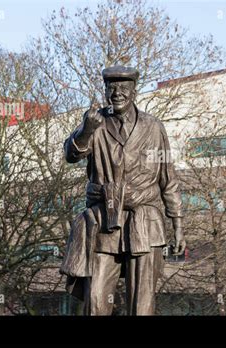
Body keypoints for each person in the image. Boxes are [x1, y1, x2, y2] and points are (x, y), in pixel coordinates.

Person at [61, 65, 185, 315]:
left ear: (134, 92)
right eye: (111, 88)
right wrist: (86, 129)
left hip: (144, 221)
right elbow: (71, 154)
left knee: (142, 304)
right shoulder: (95, 123)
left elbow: (168, 178)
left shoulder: (153, 126)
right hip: (105, 219)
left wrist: (178, 225)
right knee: (96, 300)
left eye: (123, 88)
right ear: (106, 91)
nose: (117, 93)